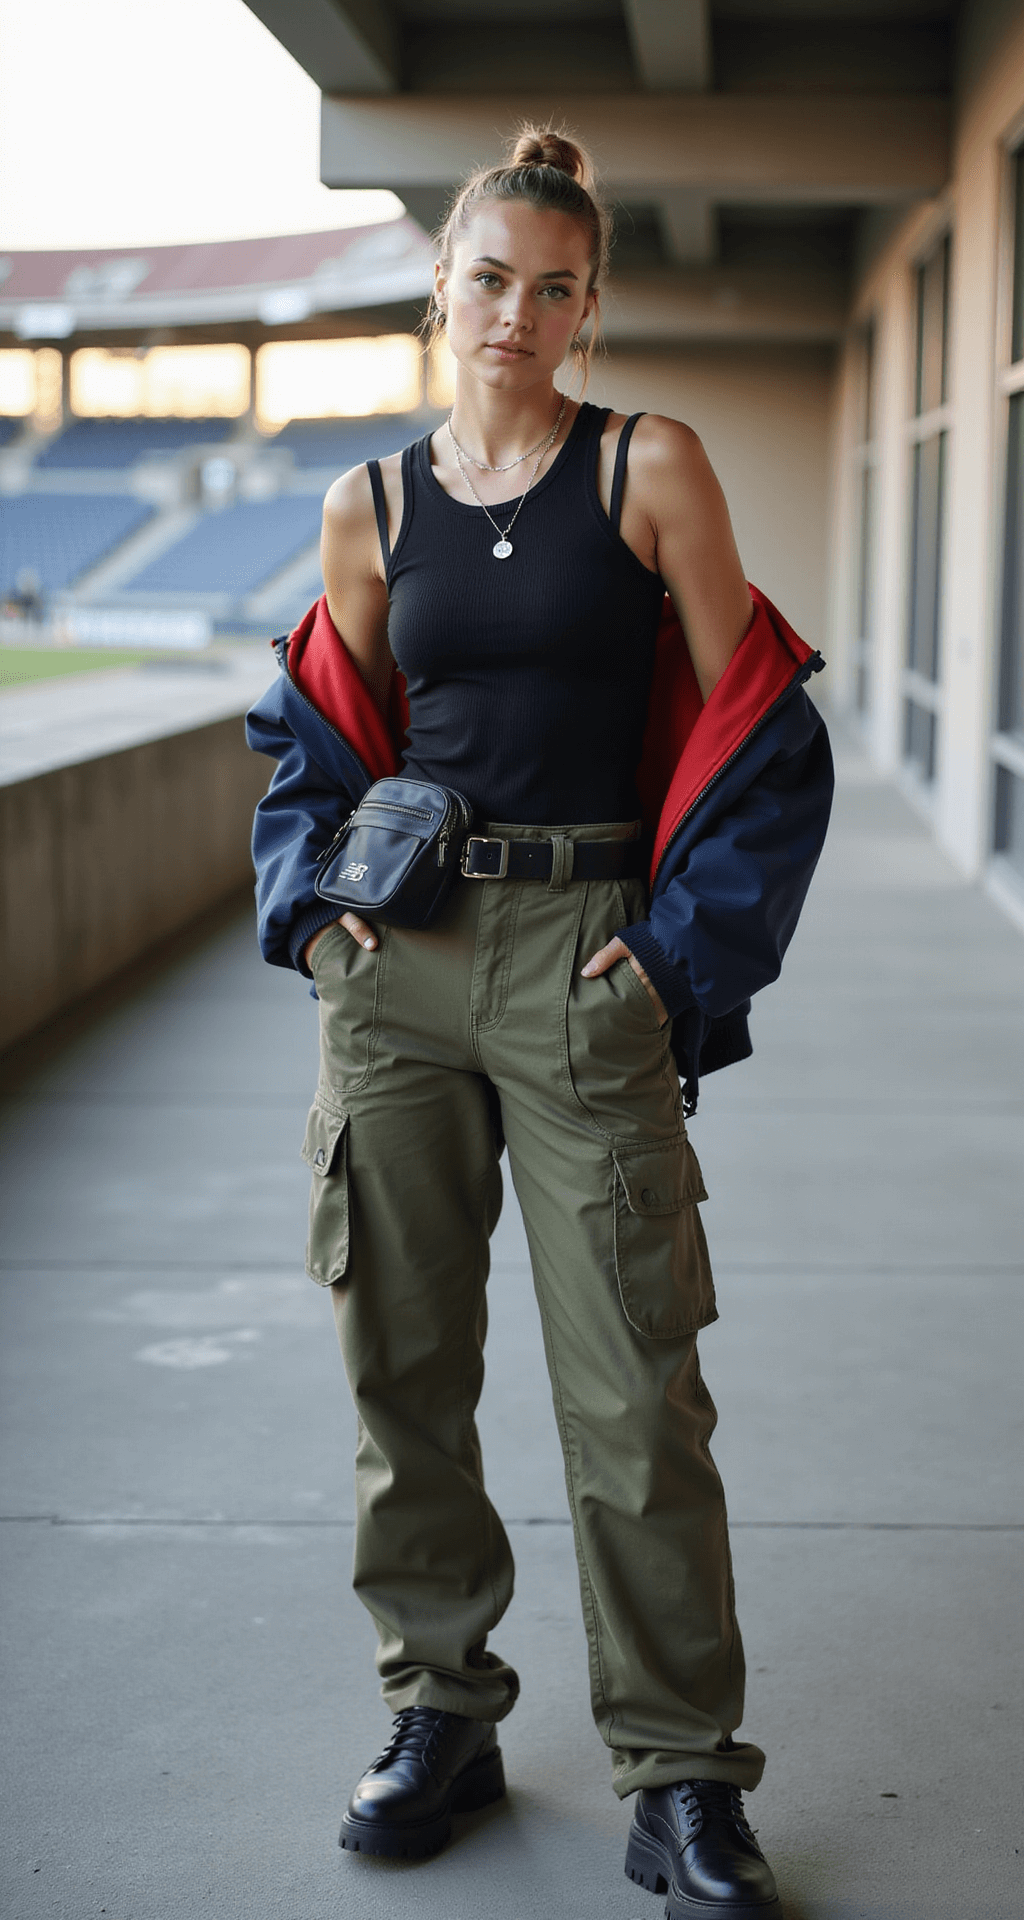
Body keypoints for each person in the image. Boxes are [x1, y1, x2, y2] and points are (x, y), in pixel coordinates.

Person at [246, 126, 833, 1920]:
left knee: (635, 1389)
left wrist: (673, 959)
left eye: (556, 287)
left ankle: (680, 1777)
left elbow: (760, 730)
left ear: (591, 305)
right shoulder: (375, 506)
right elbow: (320, 743)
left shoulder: (647, 469)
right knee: (401, 1370)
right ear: (444, 281)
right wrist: (330, 926)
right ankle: (440, 1710)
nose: (518, 313)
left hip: (591, 963)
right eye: (490, 277)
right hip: (404, 978)